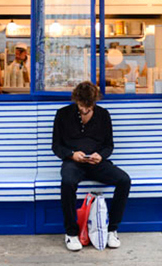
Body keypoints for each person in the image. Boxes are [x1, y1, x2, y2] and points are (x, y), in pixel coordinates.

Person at [52, 81, 131, 251]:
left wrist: (100, 156)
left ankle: (112, 229)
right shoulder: (63, 114)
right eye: (81, 106)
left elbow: (109, 145)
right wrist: (72, 154)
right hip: (73, 162)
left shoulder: (103, 115)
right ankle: (71, 233)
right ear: (76, 100)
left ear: (94, 102)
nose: (85, 110)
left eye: (89, 107)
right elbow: (56, 146)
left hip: (97, 163)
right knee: (67, 183)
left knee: (124, 180)